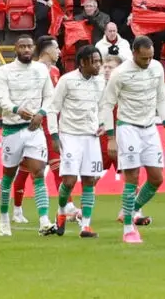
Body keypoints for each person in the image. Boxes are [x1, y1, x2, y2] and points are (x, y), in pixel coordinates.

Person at [43, 41, 113, 238]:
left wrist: (102, 124)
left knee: (90, 180)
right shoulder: (67, 80)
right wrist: (54, 135)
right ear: (82, 62)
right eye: (95, 62)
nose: (99, 66)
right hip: (70, 135)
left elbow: (102, 106)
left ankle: (86, 226)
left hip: (91, 137)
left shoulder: (100, 82)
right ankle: (61, 211)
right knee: (70, 181)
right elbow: (53, 108)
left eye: (100, 61)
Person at [108, 26, 165, 243]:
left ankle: (130, 210)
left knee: (157, 178)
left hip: (150, 128)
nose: (147, 62)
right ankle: (128, 229)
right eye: (143, 58)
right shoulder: (120, 74)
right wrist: (110, 137)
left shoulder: (156, 68)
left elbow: (161, 97)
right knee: (132, 177)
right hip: (128, 127)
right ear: (134, 53)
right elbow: (107, 105)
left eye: (150, 57)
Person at [0, 32, 54, 235]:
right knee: (8, 176)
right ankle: (3, 218)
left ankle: (44, 220)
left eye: (29, 46)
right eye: (22, 47)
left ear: (34, 49)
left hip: (34, 129)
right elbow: (2, 99)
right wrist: (18, 110)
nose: (26, 50)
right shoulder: (4, 71)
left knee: (38, 173)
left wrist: (41, 114)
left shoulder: (41, 70)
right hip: (12, 129)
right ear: (16, 49)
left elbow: (49, 96)